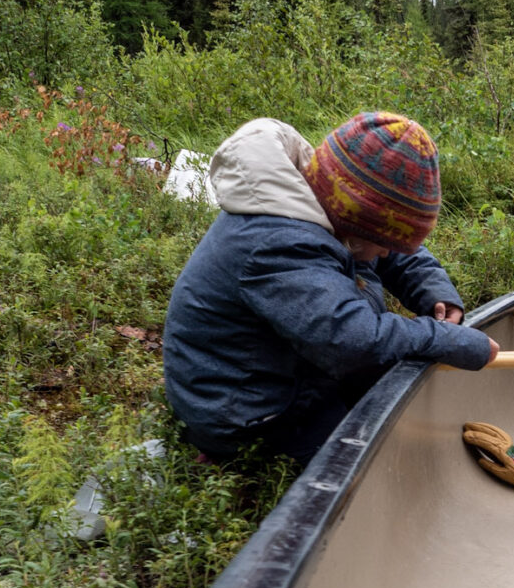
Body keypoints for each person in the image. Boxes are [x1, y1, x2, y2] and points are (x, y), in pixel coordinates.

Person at [163, 112, 496, 463]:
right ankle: (230, 462)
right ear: (350, 221)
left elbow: (382, 250)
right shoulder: (279, 245)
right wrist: (447, 339)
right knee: (375, 455)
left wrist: (434, 291)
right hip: (242, 411)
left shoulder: (324, 208)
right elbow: (354, 342)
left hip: (279, 374)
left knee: (388, 397)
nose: (386, 253)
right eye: (383, 242)